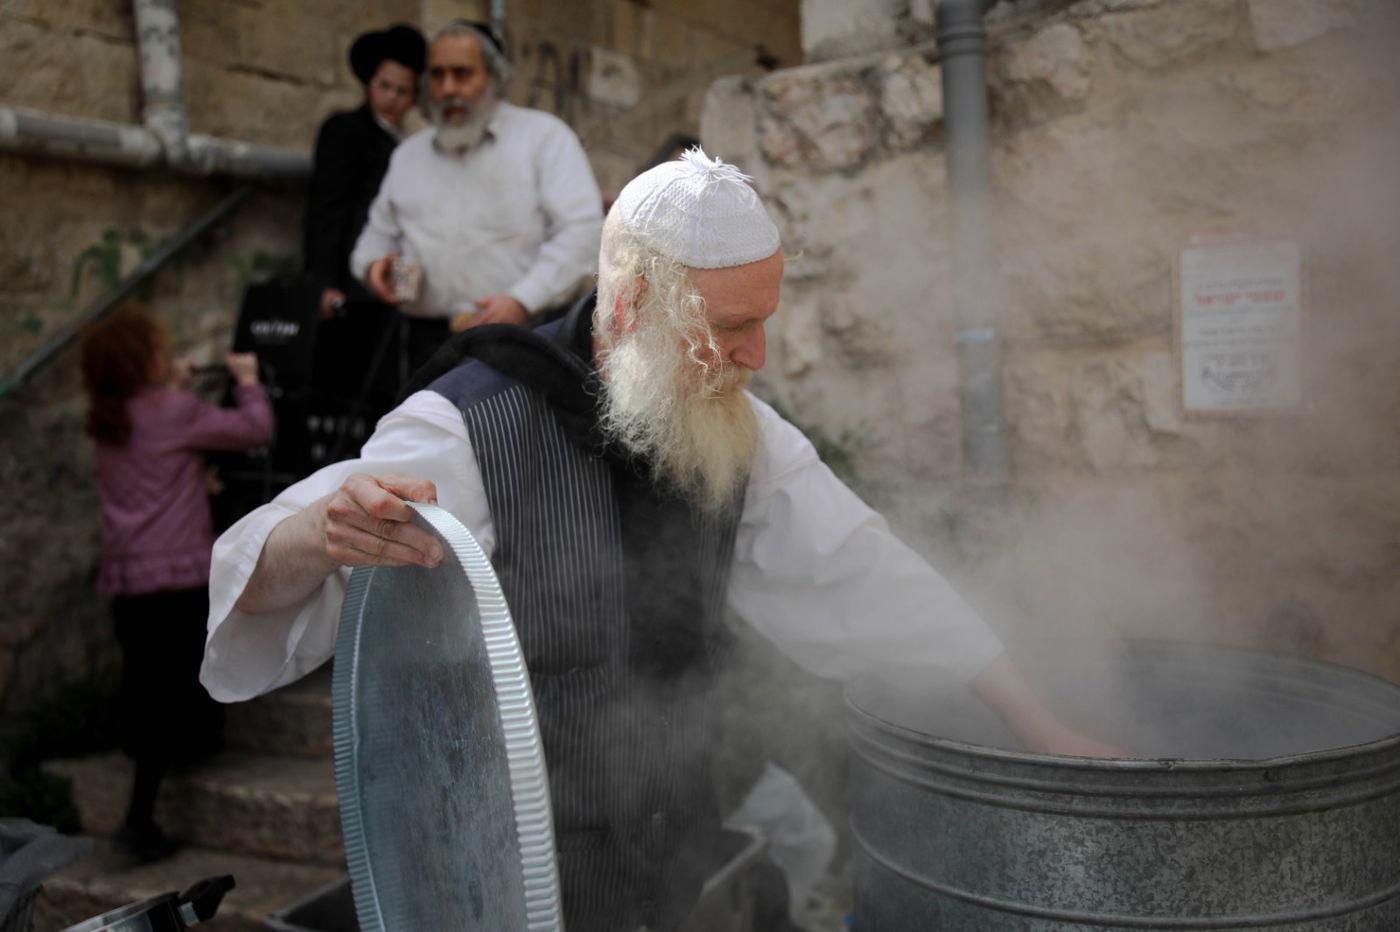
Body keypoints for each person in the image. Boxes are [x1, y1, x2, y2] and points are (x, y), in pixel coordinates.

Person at [202, 149, 1117, 929]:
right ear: (634, 302)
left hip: (677, 865)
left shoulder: (736, 434)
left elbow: (871, 575)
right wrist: (325, 536)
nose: (758, 355)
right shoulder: (465, 429)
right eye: (731, 327)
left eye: (765, 318)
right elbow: (261, 569)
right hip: (508, 887)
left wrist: (1039, 724)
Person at [81, 302, 274, 862]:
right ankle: (139, 819)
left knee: (146, 684)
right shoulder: (173, 411)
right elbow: (253, 430)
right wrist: (247, 383)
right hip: (177, 578)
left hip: (129, 580)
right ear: (147, 360)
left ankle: (174, 766)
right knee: (173, 686)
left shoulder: (108, 417)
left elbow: (155, 470)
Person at [349, 19, 604, 378]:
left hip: (522, 335)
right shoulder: (409, 155)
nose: (448, 88)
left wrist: (521, 299)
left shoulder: (543, 138)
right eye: (437, 75)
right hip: (426, 341)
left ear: (493, 77)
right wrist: (375, 266)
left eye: (462, 73)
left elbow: (582, 231)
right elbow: (375, 238)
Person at [303, 23, 426, 321]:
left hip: (399, 274)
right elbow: (328, 208)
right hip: (351, 278)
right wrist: (325, 282)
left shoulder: (412, 146)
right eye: (384, 86)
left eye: (402, 91)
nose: (392, 98)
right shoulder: (345, 131)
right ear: (369, 83)